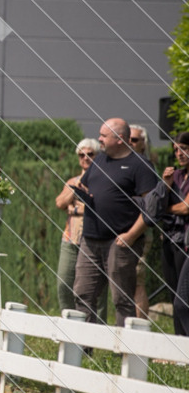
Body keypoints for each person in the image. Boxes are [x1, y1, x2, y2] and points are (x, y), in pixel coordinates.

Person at [72, 118, 159, 328]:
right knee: (82, 294)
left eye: (104, 136)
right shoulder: (100, 161)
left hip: (120, 241)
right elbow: (88, 189)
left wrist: (131, 236)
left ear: (120, 139)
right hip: (90, 240)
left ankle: (124, 353)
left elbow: (152, 208)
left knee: (121, 298)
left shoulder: (140, 166)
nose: (99, 139)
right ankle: (84, 349)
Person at [54, 138, 108, 317]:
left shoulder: (103, 180)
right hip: (71, 238)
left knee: (96, 290)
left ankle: (97, 329)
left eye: (90, 155)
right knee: (64, 282)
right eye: (81, 155)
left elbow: (100, 207)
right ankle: (69, 319)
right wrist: (75, 187)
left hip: (95, 239)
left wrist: (75, 207)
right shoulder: (73, 181)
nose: (85, 159)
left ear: (97, 156)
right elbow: (60, 202)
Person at [161, 132, 189, 335]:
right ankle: (178, 341)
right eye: (176, 150)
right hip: (169, 237)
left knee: (183, 296)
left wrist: (166, 210)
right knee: (174, 294)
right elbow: (158, 201)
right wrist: (165, 183)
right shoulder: (176, 175)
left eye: (184, 149)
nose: (179, 154)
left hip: (185, 240)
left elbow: (185, 208)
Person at [129, 124, 156, 318]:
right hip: (120, 231)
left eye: (134, 140)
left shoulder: (145, 166)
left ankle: (140, 331)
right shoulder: (122, 164)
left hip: (138, 232)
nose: (129, 143)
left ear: (143, 144)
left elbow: (150, 204)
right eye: (127, 139)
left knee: (137, 282)